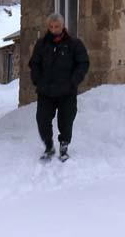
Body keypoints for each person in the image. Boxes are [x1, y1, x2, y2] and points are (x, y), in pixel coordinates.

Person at [28, 13, 89, 162]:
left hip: (66, 91)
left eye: (57, 26)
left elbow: (83, 63)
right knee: (42, 120)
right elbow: (34, 63)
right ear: (48, 27)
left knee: (66, 120)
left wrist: (74, 81)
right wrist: (37, 80)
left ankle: (64, 145)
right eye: (51, 27)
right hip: (46, 91)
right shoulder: (41, 44)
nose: (54, 29)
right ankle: (49, 146)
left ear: (63, 26)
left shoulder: (74, 44)